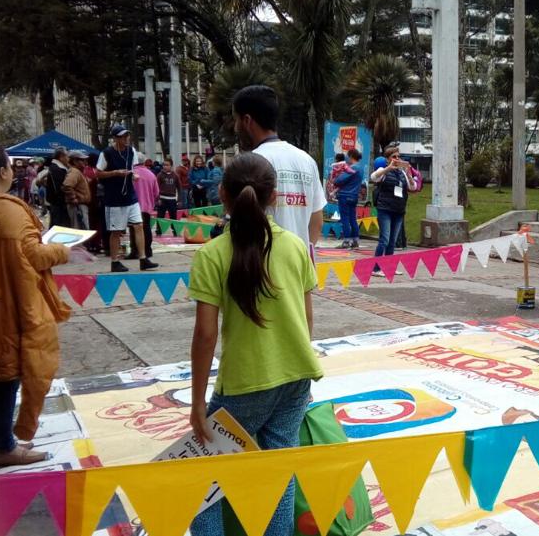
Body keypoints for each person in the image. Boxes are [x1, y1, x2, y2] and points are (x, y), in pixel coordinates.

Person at [187, 153, 323, 536]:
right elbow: (307, 317)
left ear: (221, 195)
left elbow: (205, 335)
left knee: (203, 477)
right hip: (297, 378)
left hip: (245, 386)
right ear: (274, 197)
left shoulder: (211, 255)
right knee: (278, 475)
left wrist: (198, 403)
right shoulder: (296, 247)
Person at [0, 143, 90, 468]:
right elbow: (33, 255)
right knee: (6, 373)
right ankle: (2, 446)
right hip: (8, 305)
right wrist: (65, 251)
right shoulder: (11, 210)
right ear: (3, 172)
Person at [234, 85, 327, 246]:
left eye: (235, 120)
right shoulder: (306, 160)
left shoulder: (250, 163)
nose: (235, 127)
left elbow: (243, 225)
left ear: (247, 120)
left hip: (262, 267)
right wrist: (302, 256)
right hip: (299, 267)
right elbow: (317, 221)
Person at [97, 124, 159, 272]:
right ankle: (114, 261)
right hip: (114, 198)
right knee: (116, 231)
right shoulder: (106, 153)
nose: (126, 138)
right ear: (115, 138)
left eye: (127, 136)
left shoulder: (131, 151)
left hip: (130, 196)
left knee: (139, 225)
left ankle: (143, 258)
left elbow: (132, 169)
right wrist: (115, 173)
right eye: (122, 136)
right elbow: (98, 173)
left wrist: (133, 175)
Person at [370, 145, 418, 276]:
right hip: (385, 209)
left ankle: (389, 267)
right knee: (384, 239)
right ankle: (376, 268)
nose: (397, 159)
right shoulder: (383, 170)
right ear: (388, 159)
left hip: (398, 210)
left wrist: (408, 174)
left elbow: (413, 187)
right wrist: (388, 168)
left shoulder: (402, 172)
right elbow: (373, 177)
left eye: (398, 156)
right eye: (394, 157)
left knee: (392, 241)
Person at [129, 160, 159, 260]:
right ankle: (148, 250)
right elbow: (156, 192)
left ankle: (135, 251)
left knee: (134, 230)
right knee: (146, 229)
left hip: (133, 205)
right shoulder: (151, 174)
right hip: (147, 206)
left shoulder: (131, 173)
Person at [334, 149, 363, 249]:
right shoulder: (361, 168)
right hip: (354, 196)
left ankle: (346, 241)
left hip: (345, 196)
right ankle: (355, 241)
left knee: (345, 219)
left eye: (347, 156)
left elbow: (338, 181)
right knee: (352, 219)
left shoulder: (352, 168)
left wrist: (337, 175)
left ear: (351, 156)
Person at [39, 147, 71, 228]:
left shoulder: (56, 168)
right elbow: (60, 188)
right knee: (59, 227)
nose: (68, 159)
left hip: (56, 203)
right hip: (58, 205)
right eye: (67, 156)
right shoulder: (57, 169)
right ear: (61, 156)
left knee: (56, 226)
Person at [62, 150, 92, 230]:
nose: (85, 162)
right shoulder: (75, 172)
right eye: (82, 160)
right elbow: (67, 185)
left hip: (79, 205)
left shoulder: (77, 171)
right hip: (78, 206)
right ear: (75, 161)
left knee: (81, 229)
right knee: (79, 230)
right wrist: (74, 198)